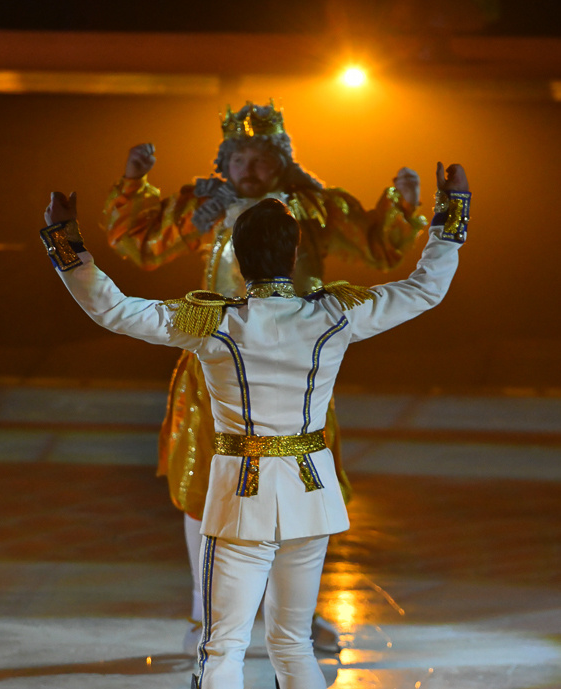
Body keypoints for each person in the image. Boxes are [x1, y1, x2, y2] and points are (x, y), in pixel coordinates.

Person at [41, 161, 470, 689]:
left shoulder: (215, 321)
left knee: (221, 645)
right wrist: (452, 212)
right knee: (292, 643)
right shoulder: (333, 314)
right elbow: (424, 288)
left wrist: (65, 243)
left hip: (241, 499)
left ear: (238, 260)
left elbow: (114, 308)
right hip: (309, 497)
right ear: (293, 254)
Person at [103, 101, 427, 654]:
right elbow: (139, 242)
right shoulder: (203, 208)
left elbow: (378, 243)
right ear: (225, 162)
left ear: (280, 162)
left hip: (296, 372)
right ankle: (206, 620)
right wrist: (134, 182)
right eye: (241, 158)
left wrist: (404, 203)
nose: (249, 169)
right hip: (216, 372)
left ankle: (297, 618)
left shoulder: (313, 209)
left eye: (261, 158)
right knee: (201, 491)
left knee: (303, 487)